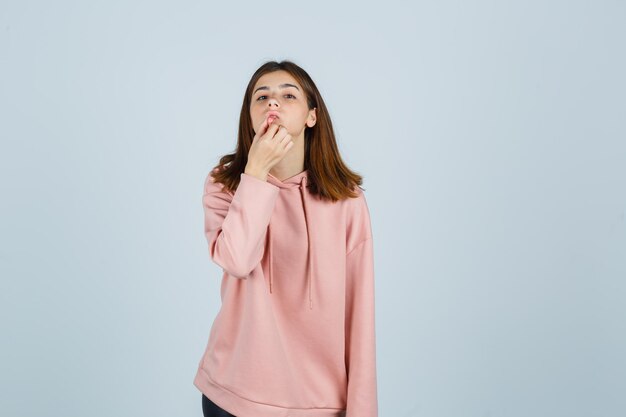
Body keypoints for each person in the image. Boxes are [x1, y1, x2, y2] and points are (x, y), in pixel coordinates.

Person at [193, 60, 378, 417]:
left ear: (312, 115)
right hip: (233, 394)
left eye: (288, 95)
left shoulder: (347, 200)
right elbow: (236, 259)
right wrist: (256, 173)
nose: (272, 103)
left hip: (321, 403)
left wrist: (362, 410)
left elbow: (360, 312)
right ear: (250, 116)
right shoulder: (224, 184)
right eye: (261, 97)